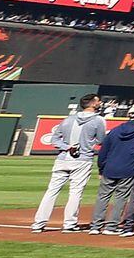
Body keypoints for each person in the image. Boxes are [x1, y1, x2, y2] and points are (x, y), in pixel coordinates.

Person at [33, 93, 104, 232]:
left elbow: (54, 140)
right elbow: (101, 140)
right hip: (82, 160)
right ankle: (69, 224)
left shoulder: (68, 119)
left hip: (62, 158)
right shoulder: (98, 120)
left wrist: (67, 147)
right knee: (76, 192)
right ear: (93, 104)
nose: (100, 103)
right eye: (98, 101)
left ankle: (38, 223)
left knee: (51, 191)